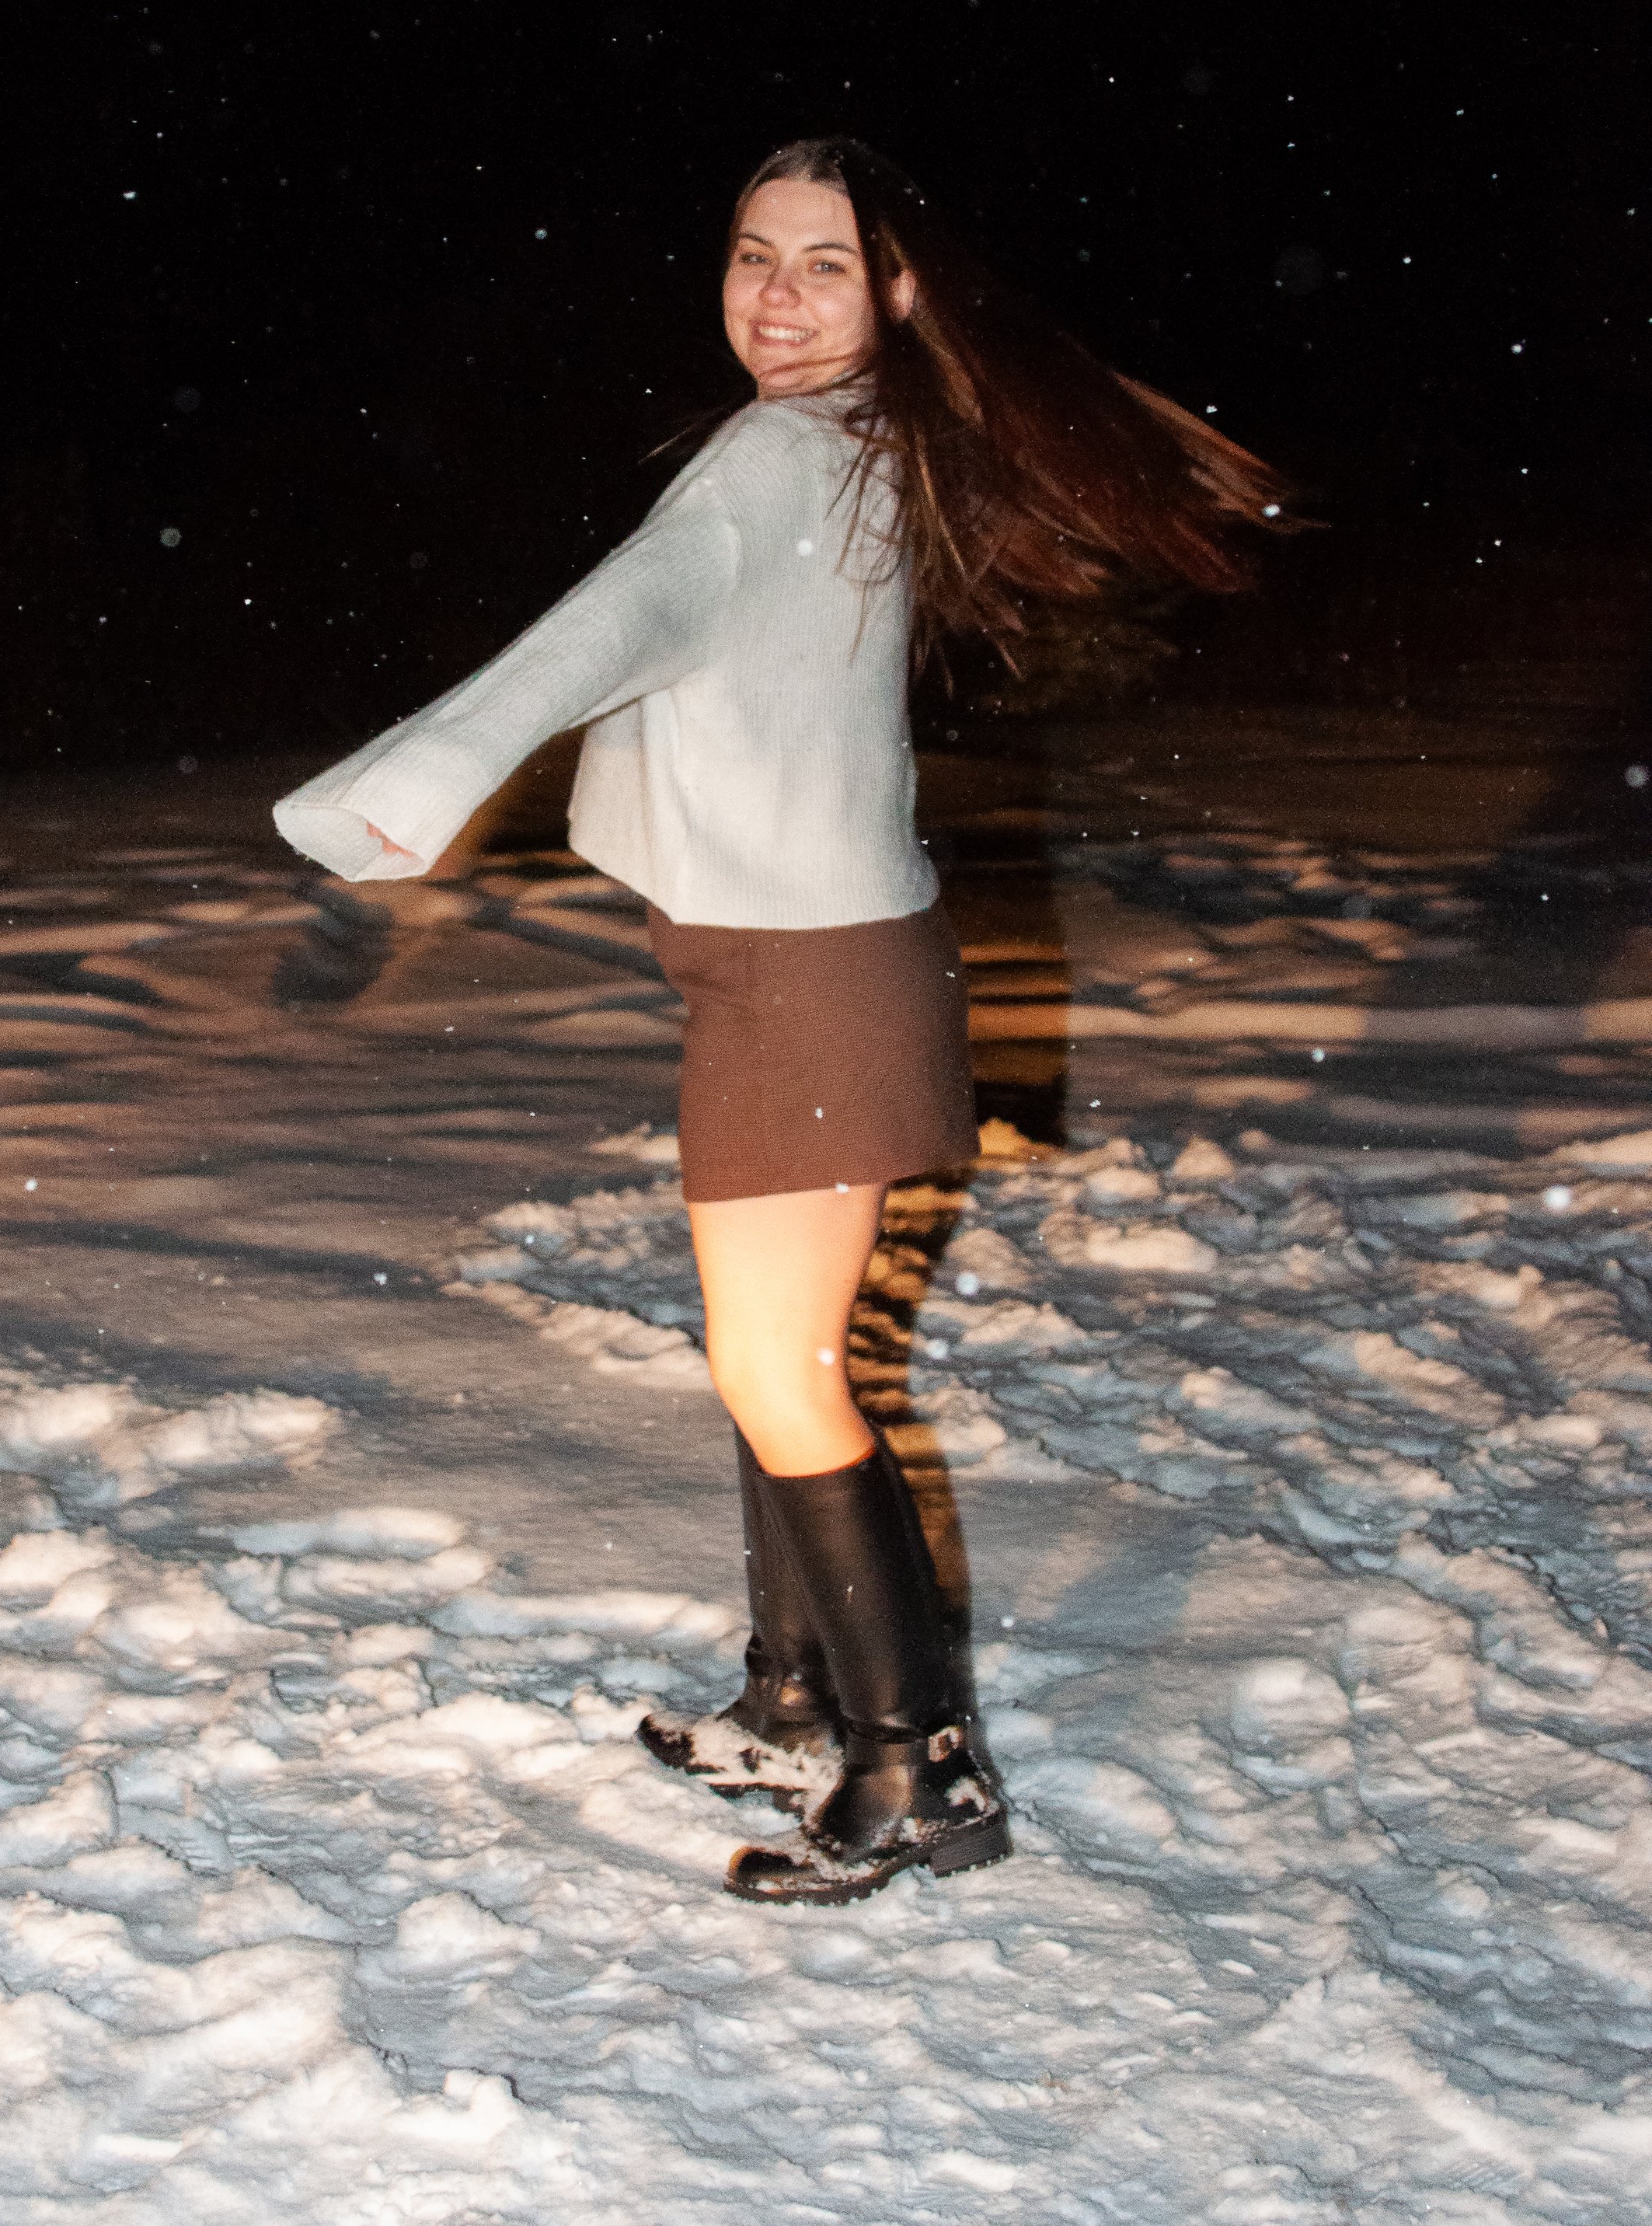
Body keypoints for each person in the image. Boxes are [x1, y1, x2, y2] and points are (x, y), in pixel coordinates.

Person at [274, 135, 1284, 1904]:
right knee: (775, 1351)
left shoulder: (773, 455)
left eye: (822, 262)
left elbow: (611, 626)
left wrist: (406, 783)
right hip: (795, 962)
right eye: (752, 254)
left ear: (894, 289)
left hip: (803, 978)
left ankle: (914, 1770)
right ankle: (796, 1693)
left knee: (776, 1365)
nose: (774, 294)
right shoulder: (866, 443)